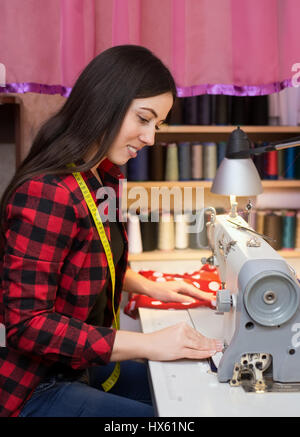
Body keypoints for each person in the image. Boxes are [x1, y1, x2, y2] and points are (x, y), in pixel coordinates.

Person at [0, 45, 222, 417]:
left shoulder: (103, 178)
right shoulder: (48, 192)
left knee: (199, 395)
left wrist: (152, 287)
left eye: (158, 124)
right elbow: (27, 325)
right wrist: (148, 343)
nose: (151, 138)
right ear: (105, 102)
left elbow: (89, 255)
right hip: (34, 383)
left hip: (77, 364)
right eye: (144, 118)